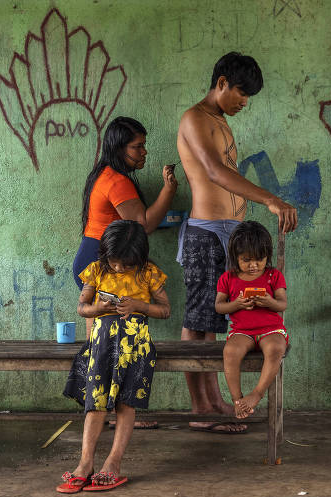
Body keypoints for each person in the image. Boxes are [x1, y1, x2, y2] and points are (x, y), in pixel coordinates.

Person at [176, 51, 297, 433]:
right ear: (222, 82)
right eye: (241, 92)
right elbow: (214, 172)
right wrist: (270, 199)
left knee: (214, 321)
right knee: (198, 322)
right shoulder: (195, 118)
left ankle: (214, 403)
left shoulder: (221, 122)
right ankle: (203, 409)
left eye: (249, 97)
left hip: (227, 232)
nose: (245, 102)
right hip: (207, 232)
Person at [73, 116, 176, 429]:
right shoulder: (117, 180)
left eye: (144, 145)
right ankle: (117, 413)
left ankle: (111, 414)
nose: (144, 152)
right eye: (137, 146)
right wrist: (169, 191)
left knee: (105, 348)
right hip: (105, 265)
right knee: (112, 349)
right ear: (119, 148)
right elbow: (143, 224)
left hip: (97, 257)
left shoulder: (105, 174)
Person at [57, 220, 170, 493]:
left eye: (126, 265)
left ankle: (113, 463)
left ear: (140, 257)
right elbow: (81, 308)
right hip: (102, 348)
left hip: (136, 347)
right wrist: (99, 308)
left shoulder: (148, 273)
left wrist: (139, 305)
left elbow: (165, 310)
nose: (119, 268)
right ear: (105, 254)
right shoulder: (96, 270)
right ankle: (85, 463)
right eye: (114, 262)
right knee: (94, 404)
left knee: (125, 404)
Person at [215, 221, 288, 419]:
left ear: (267, 256)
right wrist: (236, 304)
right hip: (242, 332)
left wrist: (269, 302)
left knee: (276, 349)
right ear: (235, 257)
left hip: (271, 330)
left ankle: (256, 394)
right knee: (230, 351)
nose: (254, 265)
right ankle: (238, 401)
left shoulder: (274, 275)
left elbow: (282, 304)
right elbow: (219, 306)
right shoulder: (228, 278)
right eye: (246, 260)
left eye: (259, 259)